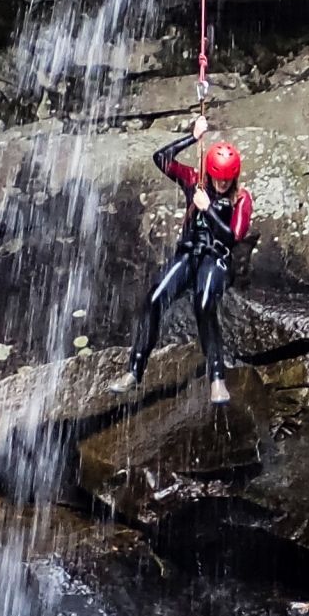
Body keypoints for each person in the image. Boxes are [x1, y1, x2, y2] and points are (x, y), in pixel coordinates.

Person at [109, 114, 252, 404]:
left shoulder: (241, 198)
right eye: (218, 178)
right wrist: (193, 137)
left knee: (203, 304)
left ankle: (216, 377)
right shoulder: (194, 180)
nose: (221, 183)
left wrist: (208, 207)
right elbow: (160, 158)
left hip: (216, 257)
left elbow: (231, 237)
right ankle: (135, 370)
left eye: (227, 180)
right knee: (153, 299)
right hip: (189, 252)